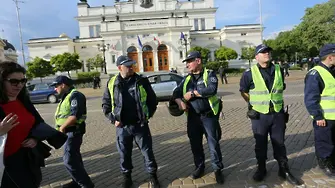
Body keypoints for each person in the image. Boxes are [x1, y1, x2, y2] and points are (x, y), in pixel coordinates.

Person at [239, 44, 302, 185]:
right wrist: (252, 104)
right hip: (259, 115)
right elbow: (243, 91)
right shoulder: (249, 73)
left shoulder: (279, 69)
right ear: (256, 57)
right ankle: (261, 169)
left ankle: (284, 169)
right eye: (263, 52)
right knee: (260, 144)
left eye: (268, 51)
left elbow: (280, 88)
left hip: (277, 113)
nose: (266, 53)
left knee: (279, 143)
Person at [0, 62, 67, 188]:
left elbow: (37, 123)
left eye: (23, 81)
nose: (19, 85)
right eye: (14, 81)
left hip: (28, 159)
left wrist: (35, 138)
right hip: (5, 164)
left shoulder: (24, 101)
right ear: (1, 81)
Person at [102, 55, 160, 188]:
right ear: (119, 68)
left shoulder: (141, 80)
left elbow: (152, 100)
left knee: (147, 152)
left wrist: (147, 115)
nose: (131, 67)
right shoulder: (112, 82)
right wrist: (113, 119)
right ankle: (127, 178)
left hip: (140, 125)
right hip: (122, 127)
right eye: (127, 65)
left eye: (132, 65)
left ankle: (153, 176)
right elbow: (105, 104)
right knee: (124, 154)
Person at [172, 51, 224, 184]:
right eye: (187, 62)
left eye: (190, 61)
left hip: (208, 116)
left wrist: (193, 93)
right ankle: (199, 167)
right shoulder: (186, 79)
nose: (188, 65)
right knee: (195, 145)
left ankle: (218, 169)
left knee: (213, 144)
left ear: (198, 61)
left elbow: (211, 89)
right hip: (193, 118)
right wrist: (180, 102)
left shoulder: (209, 74)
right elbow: (176, 93)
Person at [50, 76, 94, 188]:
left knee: (69, 160)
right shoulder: (66, 96)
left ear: (63, 85)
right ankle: (77, 182)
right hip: (67, 133)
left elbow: (75, 116)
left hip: (73, 132)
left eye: (56, 86)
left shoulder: (76, 95)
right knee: (75, 158)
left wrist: (62, 127)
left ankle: (85, 184)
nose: (55, 89)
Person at [304, 44, 335, 177]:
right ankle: (325, 164)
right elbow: (311, 98)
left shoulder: (332, 70)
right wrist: (318, 116)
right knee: (324, 142)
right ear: (330, 57)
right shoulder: (315, 74)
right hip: (325, 117)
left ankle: (332, 162)